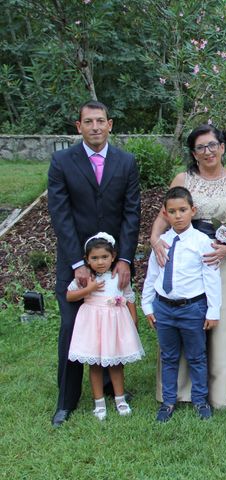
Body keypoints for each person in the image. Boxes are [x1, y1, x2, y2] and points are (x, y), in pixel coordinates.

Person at [48, 100, 140, 426]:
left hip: (114, 265)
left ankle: (112, 390)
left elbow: (131, 214)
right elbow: (60, 215)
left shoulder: (126, 163)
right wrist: (77, 263)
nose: (96, 127)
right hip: (75, 263)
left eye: (101, 121)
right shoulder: (62, 161)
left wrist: (125, 259)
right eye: (89, 121)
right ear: (79, 126)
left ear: (110, 124)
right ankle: (66, 400)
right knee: (72, 328)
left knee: (112, 327)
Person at [150, 124, 226, 408]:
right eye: (200, 147)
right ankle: (179, 390)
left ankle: (216, 393)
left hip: (224, 259)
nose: (207, 151)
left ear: (222, 147)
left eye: (212, 145)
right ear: (193, 154)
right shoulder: (183, 178)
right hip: (185, 259)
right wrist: (154, 238)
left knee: (221, 323)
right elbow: (165, 214)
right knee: (182, 314)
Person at [142, 186, 222, 422]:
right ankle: (168, 401)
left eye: (183, 210)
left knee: (197, 356)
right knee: (169, 356)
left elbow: (212, 278)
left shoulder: (202, 242)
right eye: (172, 211)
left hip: (192, 308)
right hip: (164, 308)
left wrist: (213, 311)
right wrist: (148, 306)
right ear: (165, 214)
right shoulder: (161, 243)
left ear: (192, 211)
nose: (178, 215)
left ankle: (199, 400)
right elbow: (152, 275)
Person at [67, 232, 144, 420]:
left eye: (104, 257)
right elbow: (69, 296)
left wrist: (133, 319)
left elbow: (129, 296)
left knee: (116, 363)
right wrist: (88, 289)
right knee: (95, 365)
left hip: (115, 325)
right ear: (87, 260)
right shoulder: (86, 279)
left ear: (113, 257)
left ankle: (120, 399)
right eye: (94, 258)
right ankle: (99, 403)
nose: (100, 262)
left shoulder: (118, 277)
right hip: (94, 325)